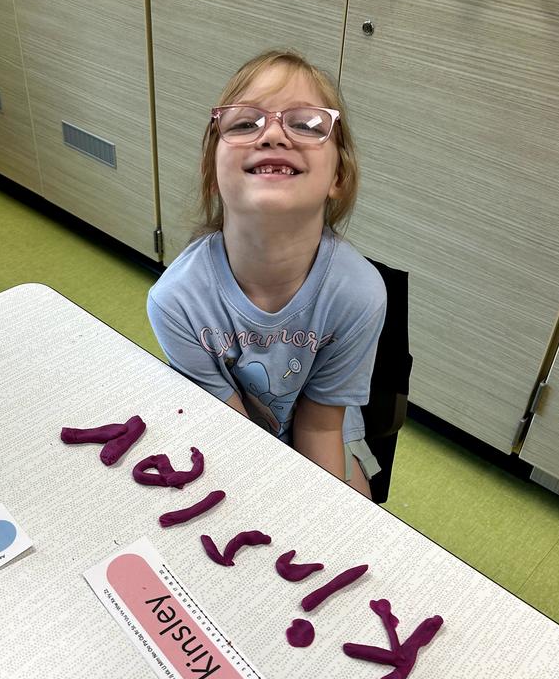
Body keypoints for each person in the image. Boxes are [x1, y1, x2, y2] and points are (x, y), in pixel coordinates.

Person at [147, 49, 387, 498]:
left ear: (338, 176)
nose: (274, 134)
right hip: (232, 427)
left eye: (307, 124)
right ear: (212, 173)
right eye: (244, 124)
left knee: (352, 514)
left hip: (323, 424)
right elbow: (234, 438)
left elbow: (319, 427)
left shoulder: (358, 293)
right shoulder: (175, 303)